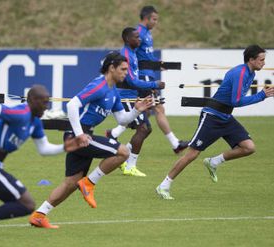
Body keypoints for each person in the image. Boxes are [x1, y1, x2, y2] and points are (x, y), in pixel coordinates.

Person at [29, 52, 153, 229]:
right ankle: (89, 183)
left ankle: (39, 215)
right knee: (124, 152)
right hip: (78, 135)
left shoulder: (113, 92)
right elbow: (72, 104)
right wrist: (79, 134)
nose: (127, 73)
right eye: (123, 69)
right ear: (111, 68)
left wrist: (137, 110)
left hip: (82, 135)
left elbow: (122, 120)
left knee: (71, 183)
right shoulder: (99, 86)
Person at [0, 85, 86, 247]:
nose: (46, 106)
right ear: (32, 101)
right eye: (43, 102)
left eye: (48, 103)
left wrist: (65, 147)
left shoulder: (35, 123)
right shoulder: (20, 113)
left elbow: (44, 149)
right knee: (26, 204)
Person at [156, 45, 274, 200]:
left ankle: (213, 162)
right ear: (251, 60)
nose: (264, 63)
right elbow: (236, 101)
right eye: (261, 60)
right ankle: (163, 185)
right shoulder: (240, 73)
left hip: (225, 117)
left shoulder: (250, 73)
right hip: (212, 116)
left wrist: (262, 95)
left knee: (249, 147)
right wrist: (261, 96)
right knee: (193, 154)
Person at [106, 27, 164, 177]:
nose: (140, 39)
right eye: (136, 37)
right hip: (125, 96)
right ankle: (129, 165)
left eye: (140, 37)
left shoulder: (132, 53)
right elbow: (131, 81)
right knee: (144, 128)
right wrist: (154, 84)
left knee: (145, 128)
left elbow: (134, 79)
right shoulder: (125, 55)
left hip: (131, 96)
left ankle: (118, 150)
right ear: (127, 39)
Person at [136, 5, 189, 154]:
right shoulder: (138, 33)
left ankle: (113, 134)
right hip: (144, 76)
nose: (156, 22)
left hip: (148, 74)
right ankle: (175, 144)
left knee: (145, 111)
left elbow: (146, 55)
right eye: (154, 19)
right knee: (158, 108)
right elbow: (132, 54)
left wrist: (158, 63)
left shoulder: (146, 33)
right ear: (146, 18)